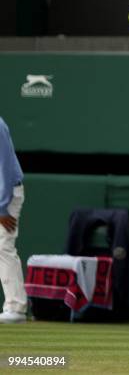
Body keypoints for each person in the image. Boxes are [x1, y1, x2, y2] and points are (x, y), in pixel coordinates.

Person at [0, 117, 27, 324]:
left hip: (5, 197)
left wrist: (2, 207)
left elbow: (6, 167)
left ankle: (16, 307)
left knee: (3, 247)